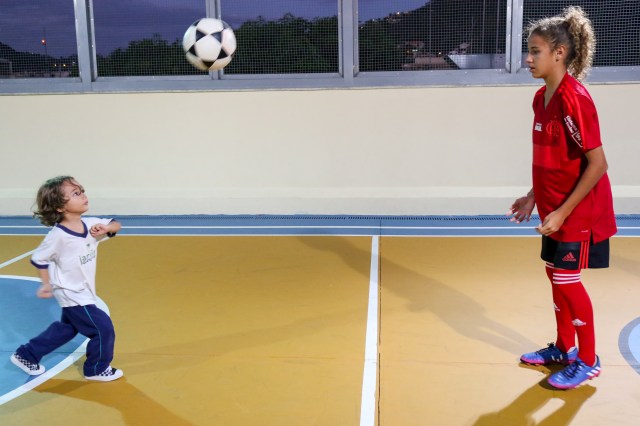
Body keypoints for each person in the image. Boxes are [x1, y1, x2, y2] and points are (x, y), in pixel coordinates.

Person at [507, 6, 616, 390]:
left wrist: (563, 212)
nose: (528, 59)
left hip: (579, 211)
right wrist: (533, 197)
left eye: (535, 51)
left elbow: (597, 164)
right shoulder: (541, 98)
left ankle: (588, 359)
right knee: (554, 274)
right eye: (529, 51)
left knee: (567, 279)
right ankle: (564, 348)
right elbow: (552, 160)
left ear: (559, 53)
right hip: (554, 206)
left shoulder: (575, 99)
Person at [10, 176, 124, 382]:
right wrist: (46, 284)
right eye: (76, 194)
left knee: (67, 330)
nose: (83, 196)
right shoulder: (58, 236)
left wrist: (108, 229)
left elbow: (116, 224)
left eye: (82, 191)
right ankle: (96, 369)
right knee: (103, 328)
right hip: (71, 292)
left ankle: (26, 355)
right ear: (60, 207)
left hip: (85, 289)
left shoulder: (90, 224)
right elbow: (39, 259)